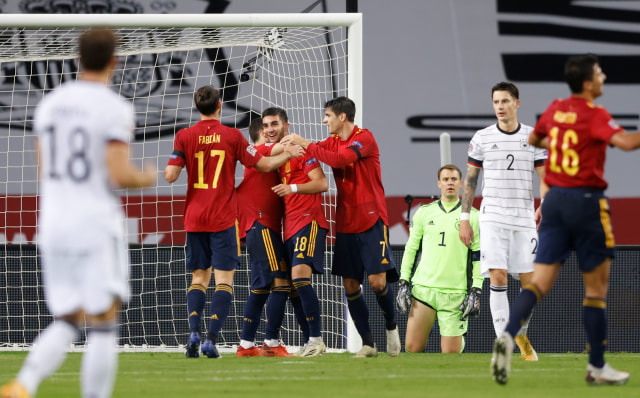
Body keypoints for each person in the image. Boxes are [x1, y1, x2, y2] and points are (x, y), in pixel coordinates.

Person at [0, 27, 156, 398]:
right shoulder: (113, 107)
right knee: (103, 321)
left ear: (77, 59)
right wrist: (145, 178)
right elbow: (119, 173)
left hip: (54, 222)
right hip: (94, 223)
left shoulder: (50, 104)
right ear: (114, 62)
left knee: (69, 318)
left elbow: (43, 168)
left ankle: (25, 383)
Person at [491, 53, 640, 385]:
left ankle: (506, 336)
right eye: (600, 72)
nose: (603, 75)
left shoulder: (556, 108)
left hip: (555, 200)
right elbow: (626, 143)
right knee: (595, 289)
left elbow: (533, 140)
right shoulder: (595, 114)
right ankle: (597, 366)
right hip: (586, 202)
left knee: (539, 282)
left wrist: (559, 143)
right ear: (588, 83)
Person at [164, 87, 302, 359]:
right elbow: (262, 164)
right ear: (219, 105)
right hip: (222, 218)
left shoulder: (184, 136)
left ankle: (193, 332)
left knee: (198, 278)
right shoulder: (232, 136)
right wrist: (288, 154)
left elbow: (170, 175)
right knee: (224, 281)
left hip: (194, 217)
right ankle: (211, 339)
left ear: (197, 106)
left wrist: (183, 163)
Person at [281, 97, 401, 358]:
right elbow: (316, 152)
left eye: (327, 115)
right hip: (346, 220)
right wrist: (286, 145)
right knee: (349, 285)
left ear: (342, 117)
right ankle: (368, 343)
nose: (325, 120)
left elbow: (338, 159)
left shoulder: (364, 138)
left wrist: (306, 143)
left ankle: (391, 328)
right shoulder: (331, 141)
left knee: (377, 282)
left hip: (371, 217)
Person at [458, 82, 547, 361]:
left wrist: (546, 204)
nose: (499, 106)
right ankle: (503, 343)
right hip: (493, 215)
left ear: (517, 103)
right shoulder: (482, 138)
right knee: (497, 275)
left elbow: (546, 178)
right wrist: (464, 217)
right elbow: (470, 181)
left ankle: (519, 332)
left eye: (505, 101)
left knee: (529, 282)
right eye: (496, 101)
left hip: (524, 216)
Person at [265, 107, 330, 357]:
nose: (271, 129)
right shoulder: (276, 158)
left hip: (308, 221)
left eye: (275, 124)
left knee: (301, 278)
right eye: (267, 125)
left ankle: (316, 339)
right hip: (289, 227)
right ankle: (309, 341)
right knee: (293, 286)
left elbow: (322, 183)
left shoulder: (301, 151)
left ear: (286, 126)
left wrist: (292, 187)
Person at [396, 164, 481, 353]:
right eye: (445, 179)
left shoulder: (473, 217)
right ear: (439, 184)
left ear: (461, 183)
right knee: (412, 348)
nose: (449, 183)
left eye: (453, 179)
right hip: (424, 291)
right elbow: (411, 248)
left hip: (455, 295)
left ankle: (459, 335)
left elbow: (478, 257)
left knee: (451, 355)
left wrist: (477, 288)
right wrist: (403, 281)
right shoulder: (424, 212)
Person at [235, 118, 297, 357]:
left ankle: (246, 345)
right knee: (281, 283)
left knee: (260, 288)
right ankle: (271, 343)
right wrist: (293, 144)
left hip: (260, 227)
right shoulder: (260, 152)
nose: (272, 134)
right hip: (261, 226)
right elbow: (279, 149)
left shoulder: (263, 157)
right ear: (261, 133)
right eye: (267, 130)